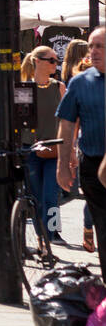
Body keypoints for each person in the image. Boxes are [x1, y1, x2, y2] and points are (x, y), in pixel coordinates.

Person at [57, 26, 106, 270]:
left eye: (100, 47)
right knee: (103, 226)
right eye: (91, 46)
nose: (94, 52)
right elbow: (67, 126)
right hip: (93, 164)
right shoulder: (80, 83)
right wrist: (63, 165)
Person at [19, 45, 66, 246]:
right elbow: (21, 121)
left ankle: (53, 233)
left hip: (55, 149)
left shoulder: (58, 87)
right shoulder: (24, 88)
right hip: (31, 149)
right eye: (52, 60)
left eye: (56, 60)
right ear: (37, 61)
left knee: (50, 196)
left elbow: (67, 120)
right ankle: (41, 236)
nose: (56, 64)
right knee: (36, 197)